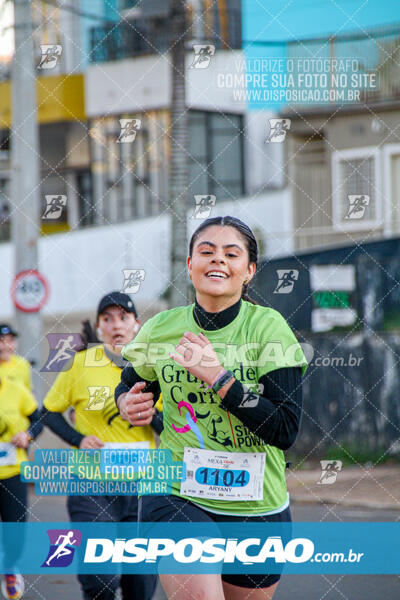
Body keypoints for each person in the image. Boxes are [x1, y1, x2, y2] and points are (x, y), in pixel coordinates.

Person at [115, 216, 308, 600]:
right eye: (206, 251)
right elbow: (130, 381)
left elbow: (284, 428)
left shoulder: (269, 330)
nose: (217, 260)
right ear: (190, 265)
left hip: (257, 504)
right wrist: (126, 401)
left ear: (248, 271)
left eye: (231, 254)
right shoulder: (161, 328)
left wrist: (220, 378)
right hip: (175, 492)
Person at [42, 292, 161, 600]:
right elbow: (49, 412)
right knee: (100, 578)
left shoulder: (152, 366)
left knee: (140, 581)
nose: (115, 325)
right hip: (90, 484)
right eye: (107, 319)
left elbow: (175, 424)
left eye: (123, 317)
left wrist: (148, 414)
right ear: (98, 327)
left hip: (142, 484)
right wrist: (78, 439)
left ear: (136, 325)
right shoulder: (80, 364)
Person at [0, 373, 42, 600]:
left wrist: (28, 434)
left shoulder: (16, 390)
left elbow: (39, 418)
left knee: (15, 529)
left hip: (12, 472)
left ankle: (10, 567)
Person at [0, 324, 32, 390]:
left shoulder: (22, 364)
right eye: (2, 341)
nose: (7, 346)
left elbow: (28, 392)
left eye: (10, 341)